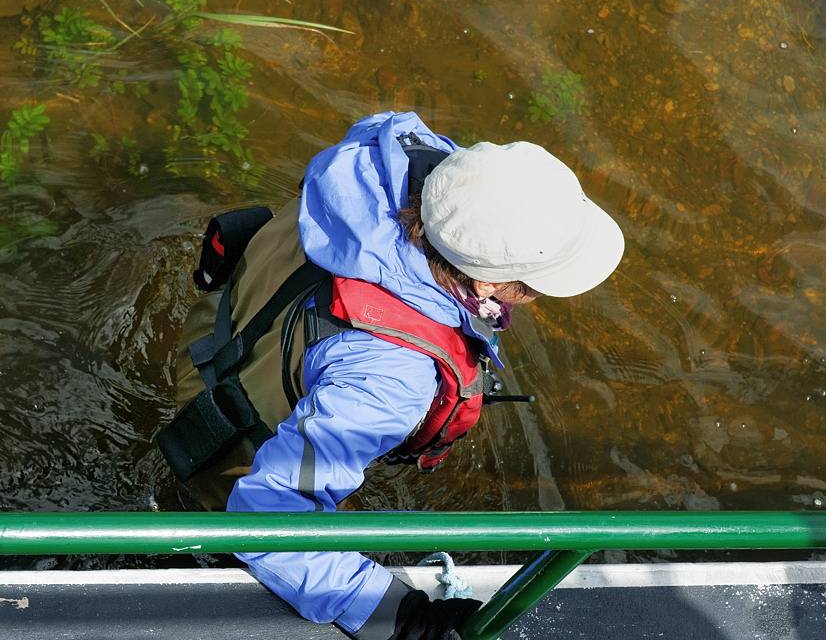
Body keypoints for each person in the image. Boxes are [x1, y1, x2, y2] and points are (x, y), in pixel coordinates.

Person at [159, 111, 625, 639]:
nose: (537, 296)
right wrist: (400, 619)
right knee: (239, 532)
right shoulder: (389, 379)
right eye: (534, 285)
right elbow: (266, 520)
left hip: (217, 333)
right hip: (228, 443)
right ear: (487, 284)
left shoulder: (396, 153)